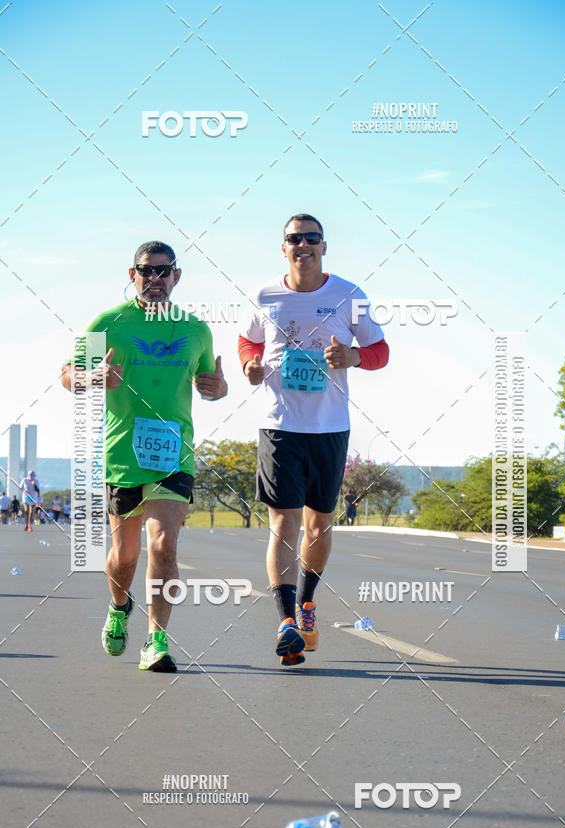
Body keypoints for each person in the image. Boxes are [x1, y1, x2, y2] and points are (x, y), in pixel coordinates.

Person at [61, 240, 227, 672]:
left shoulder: (195, 329)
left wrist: (219, 388)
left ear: (177, 276)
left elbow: (213, 381)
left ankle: (157, 640)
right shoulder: (109, 323)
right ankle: (119, 606)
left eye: (163, 270)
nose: (155, 278)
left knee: (164, 546)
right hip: (123, 456)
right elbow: (66, 375)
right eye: (146, 270)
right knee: (125, 555)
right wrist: (93, 377)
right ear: (131, 274)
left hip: (174, 454)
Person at [238, 214, 389, 666]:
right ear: (281, 247)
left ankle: (306, 608)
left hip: (328, 427)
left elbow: (380, 351)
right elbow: (248, 342)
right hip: (279, 425)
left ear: (324, 246)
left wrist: (353, 356)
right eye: (293, 239)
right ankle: (285, 621)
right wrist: (249, 365)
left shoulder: (349, 294)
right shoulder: (264, 295)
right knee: (283, 524)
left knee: (319, 525)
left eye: (310, 238)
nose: (302, 244)